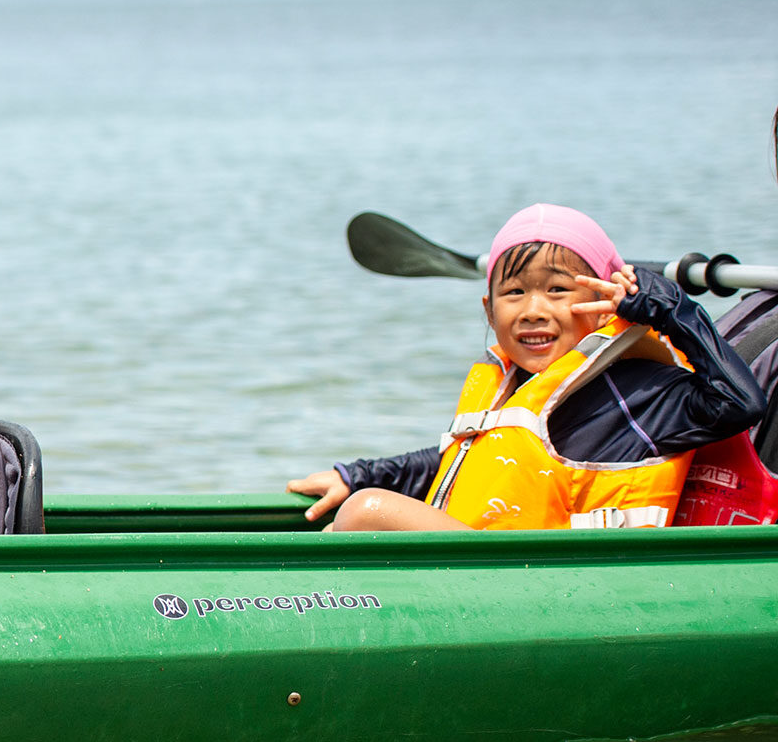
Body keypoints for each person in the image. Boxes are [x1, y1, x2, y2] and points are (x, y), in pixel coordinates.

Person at [288, 203, 767, 531]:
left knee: (369, 514)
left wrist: (671, 310)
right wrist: (359, 473)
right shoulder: (517, 388)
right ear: (488, 309)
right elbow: (458, 463)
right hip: (502, 575)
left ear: (604, 307)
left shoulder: (642, 395)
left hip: (559, 589)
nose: (533, 309)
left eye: (557, 290)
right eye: (514, 292)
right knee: (360, 504)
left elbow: (739, 402)